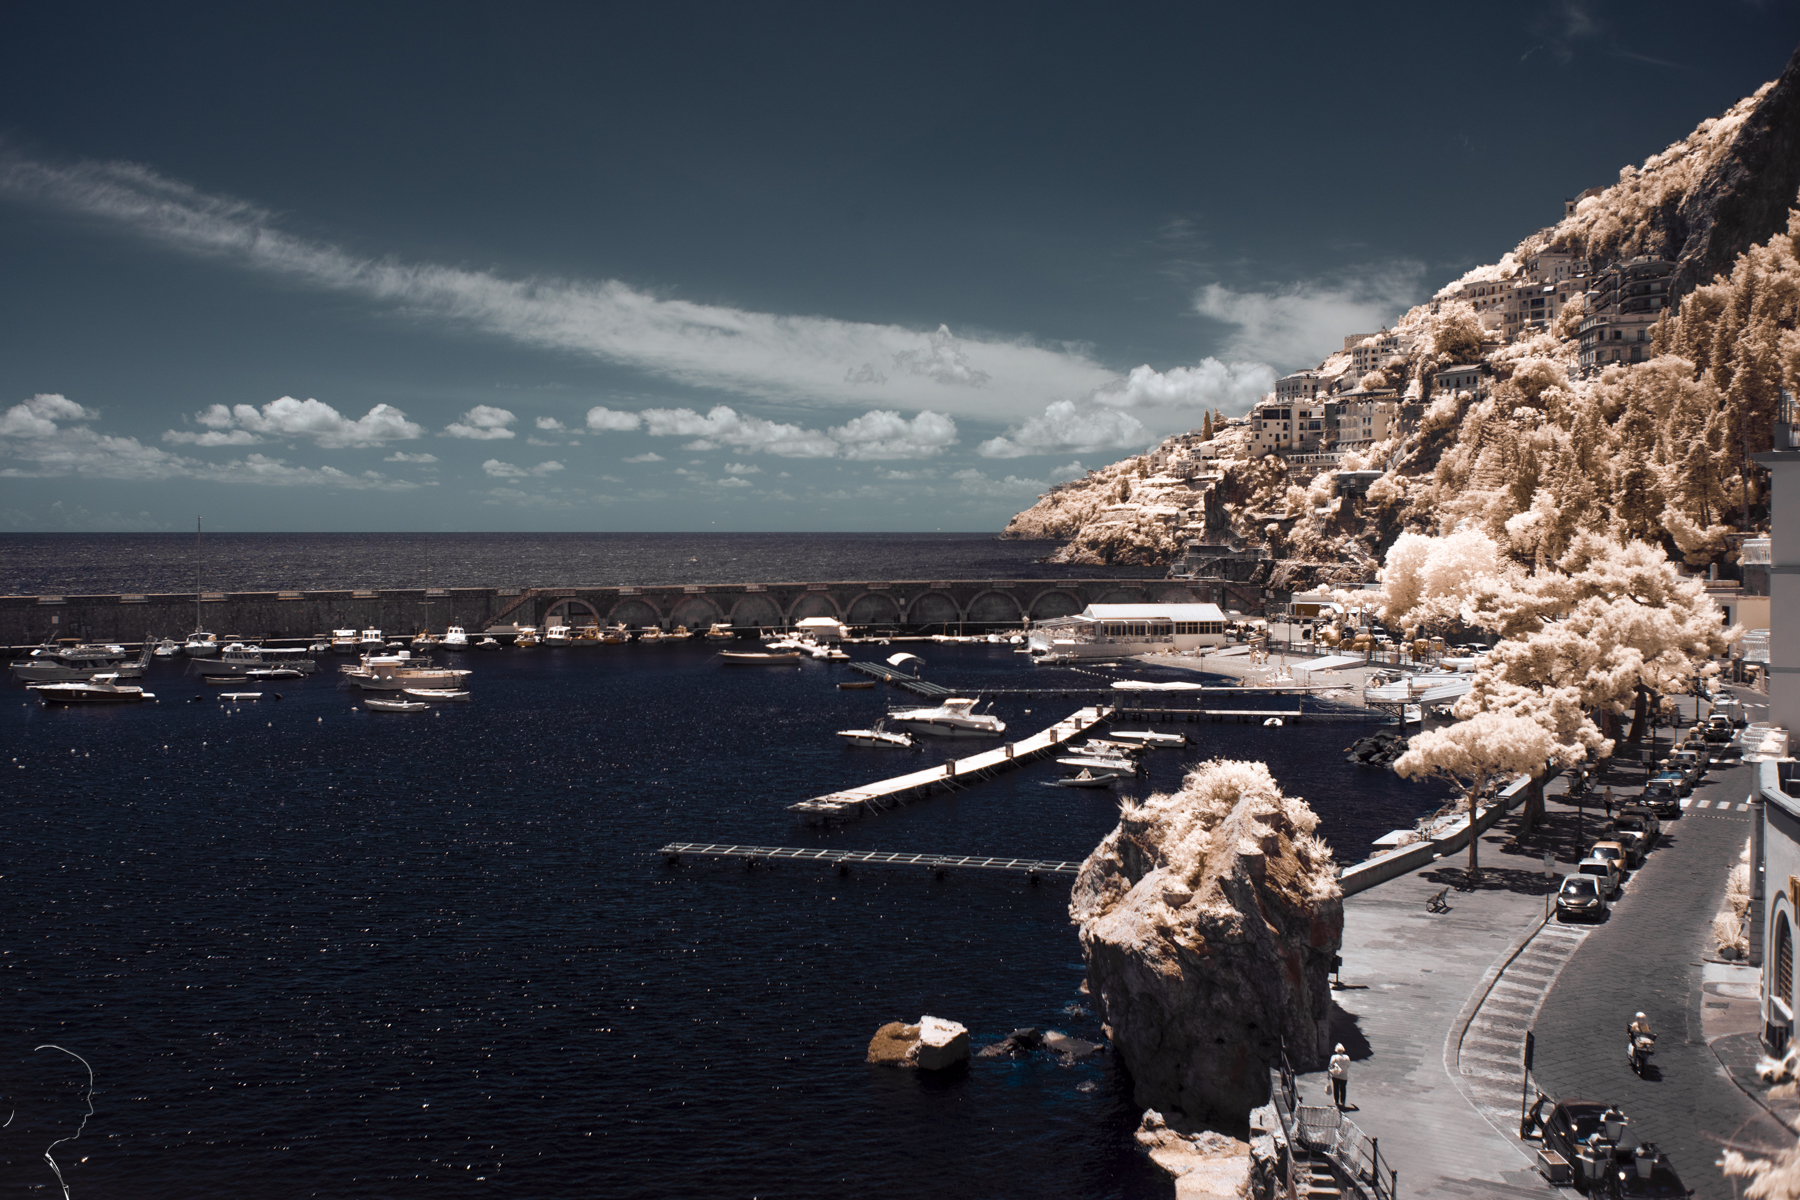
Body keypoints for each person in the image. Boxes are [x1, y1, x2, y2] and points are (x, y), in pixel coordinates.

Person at [1329, 1043, 1350, 1110]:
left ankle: (1336, 1102)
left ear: (1336, 1050)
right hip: (1344, 1076)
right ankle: (1343, 1102)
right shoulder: (1347, 1057)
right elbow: (1348, 1065)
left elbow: (1331, 1065)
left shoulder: (1334, 1057)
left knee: (1336, 1088)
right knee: (1343, 1089)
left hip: (1335, 1076)